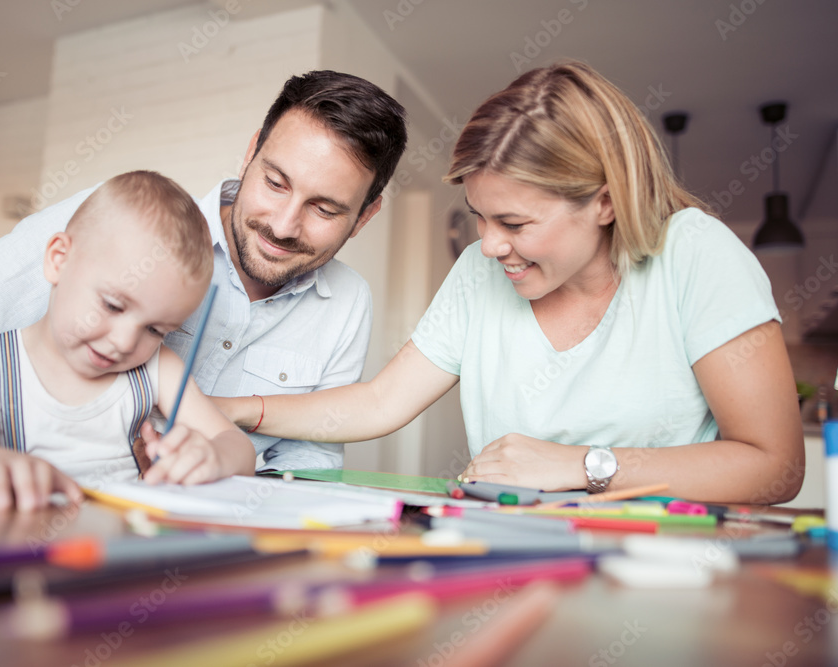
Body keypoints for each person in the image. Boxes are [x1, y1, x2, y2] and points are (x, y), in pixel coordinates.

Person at [216, 60, 805, 504]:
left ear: (604, 202)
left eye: (515, 223)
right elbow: (378, 402)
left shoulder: (694, 255)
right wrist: (229, 409)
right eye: (479, 215)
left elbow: (776, 466)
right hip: (515, 570)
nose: (490, 245)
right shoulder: (480, 272)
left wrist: (583, 465)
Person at [0, 70, 407, 503]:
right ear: (251, 150)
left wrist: (214, 472)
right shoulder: (122, 222)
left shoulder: (348, 303)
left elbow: (307, 467)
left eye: (325, 209)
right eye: (275, 181)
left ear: (365, 215)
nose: (284, 226)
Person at [0, 171, 256, 510]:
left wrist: (213, 456)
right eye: (113, 305)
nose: (124, 342)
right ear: (59, 259)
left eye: (155, 330)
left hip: (124, 548)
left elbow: (238, 446)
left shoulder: (157, 368)